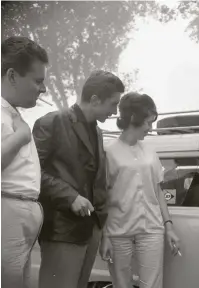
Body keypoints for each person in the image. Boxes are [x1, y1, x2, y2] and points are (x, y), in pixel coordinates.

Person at [32, 70, 124, 288]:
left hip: (90, 229)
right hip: (62, 230)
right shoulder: (51, 122)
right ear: (94, 100)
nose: (115, 111)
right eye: (113, 104)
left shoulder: (98, 132)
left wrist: (102, 232)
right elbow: (32, 172)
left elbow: (98, 183)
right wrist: (70, 196)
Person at [100, 92, 181, 288]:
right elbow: (101, 197)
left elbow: (158, 190)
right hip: (118, 231)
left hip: (152, 229)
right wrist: (104, 236)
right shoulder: (108, 152)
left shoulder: (150, 152)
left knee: (152, 285)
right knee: (122, 284)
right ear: (134, 118)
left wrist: (169, 226)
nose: (150, 128)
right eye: (148, 122)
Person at [1, 36, 48, 288]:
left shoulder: (11, 113)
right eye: (38, 81)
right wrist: (21, 137)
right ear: (11, 76)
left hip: (19, 212)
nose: (43, 90)